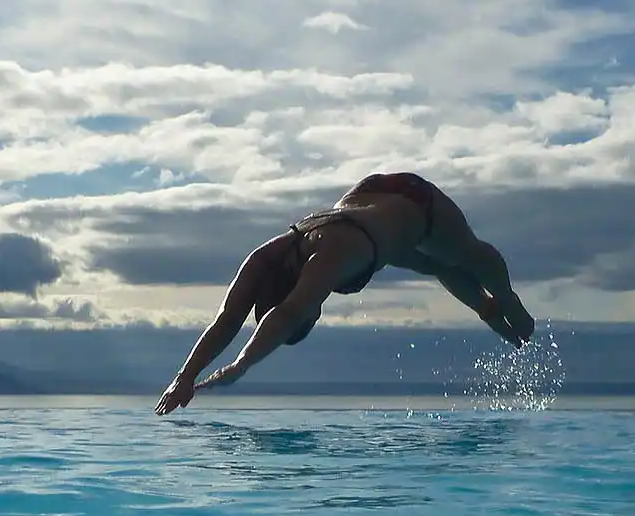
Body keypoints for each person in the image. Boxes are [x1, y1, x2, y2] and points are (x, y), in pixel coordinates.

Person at [154, 171, 536, 415]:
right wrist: (184, 377)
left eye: (312, 315)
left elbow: (288, 313)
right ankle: (488, 309)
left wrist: (241, 366)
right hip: (370, 204)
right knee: (435, 265)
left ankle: (508, 301)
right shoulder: (274, 253)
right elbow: (227, 319)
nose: (316, 311)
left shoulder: (329, 257)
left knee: (465, 254)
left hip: (419, 207)